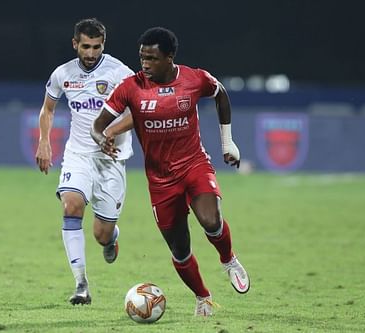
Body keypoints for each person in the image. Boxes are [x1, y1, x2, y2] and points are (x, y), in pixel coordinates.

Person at [91, 27, 250, 316]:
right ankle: (203, 297)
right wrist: (103, 139)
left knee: (210, 220)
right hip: (160, 180)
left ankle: (228, 259)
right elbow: (98, 124)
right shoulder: (131, 87)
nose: (145, 64)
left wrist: (228, 142)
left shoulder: (194, 79)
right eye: (142, 58)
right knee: (180, 249)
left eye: (152, 59)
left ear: (169, 58)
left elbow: (221, 94)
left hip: (194, 164)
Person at [35, 18, 134, 305]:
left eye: (97, 47)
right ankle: (81, 285)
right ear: (75, 44)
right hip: (78, 155)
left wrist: (112, 132)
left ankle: (112, 237)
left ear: (104, 44)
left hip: (111, 159)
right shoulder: (62, 74)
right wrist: (44, 141)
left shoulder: (119, 73)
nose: (91, 53)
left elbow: (136, 112)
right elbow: (48, 108)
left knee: (101, 235)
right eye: (86, 46)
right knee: (71, 205)